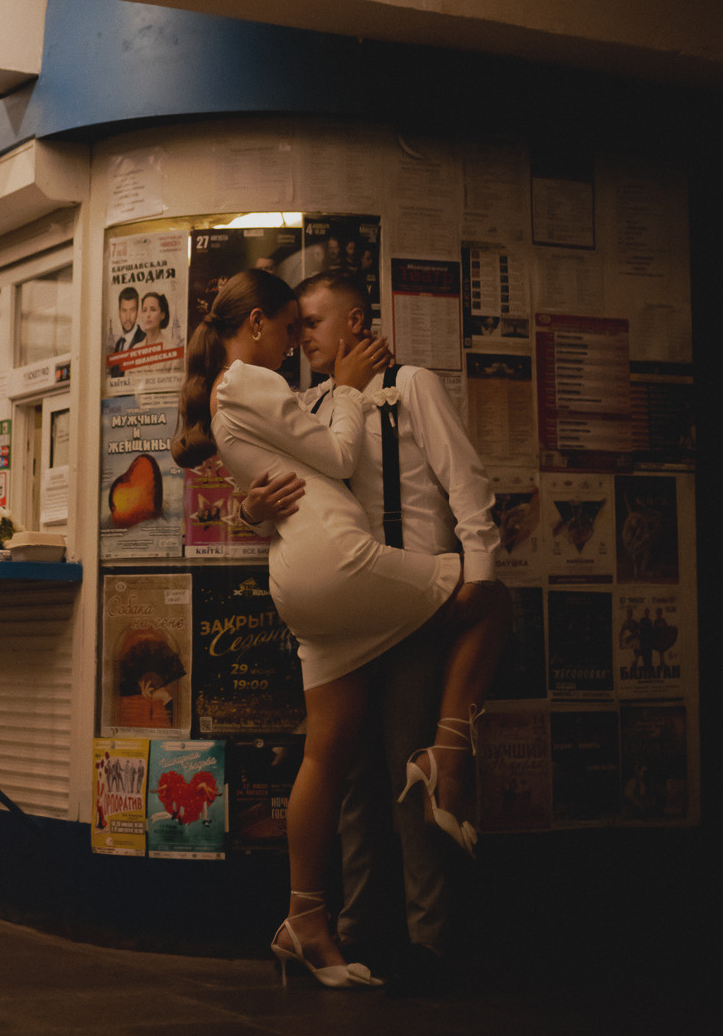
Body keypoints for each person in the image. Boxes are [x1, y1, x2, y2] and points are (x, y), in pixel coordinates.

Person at [172, 270, 510, 991]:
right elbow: (298, 478)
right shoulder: (309, 399)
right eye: (293, 326)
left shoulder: (412, 384)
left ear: (357, 324)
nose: (301, 340)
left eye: (312, 324)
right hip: (355, 582)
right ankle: (357, 924)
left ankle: (415, 940)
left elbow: (464, 479)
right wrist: (250, 510)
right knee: (354, 780)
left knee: (384, 770)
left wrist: (477, 566)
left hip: (398, 595)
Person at [112, 287, 145, 351]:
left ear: (137, 312)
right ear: (119, 312)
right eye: (124, 311)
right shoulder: (118, 344)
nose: (128, 317)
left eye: (132, 310)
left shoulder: (145, 340)